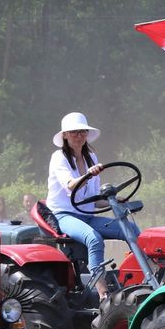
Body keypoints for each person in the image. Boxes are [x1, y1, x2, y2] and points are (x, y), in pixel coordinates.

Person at [45, 112, 125, 295]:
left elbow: (94, 200)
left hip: (87, 215)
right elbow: (71, 186)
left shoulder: (91, 157)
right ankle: (103, 295)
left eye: (82, 131)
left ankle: (148, 278)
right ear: (65, 135)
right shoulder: (59, 157)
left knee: (129, 230)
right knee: (94, 238)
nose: (79, 135)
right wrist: (88, 174)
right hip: (64, 215)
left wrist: (114, 200)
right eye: (74, 132)